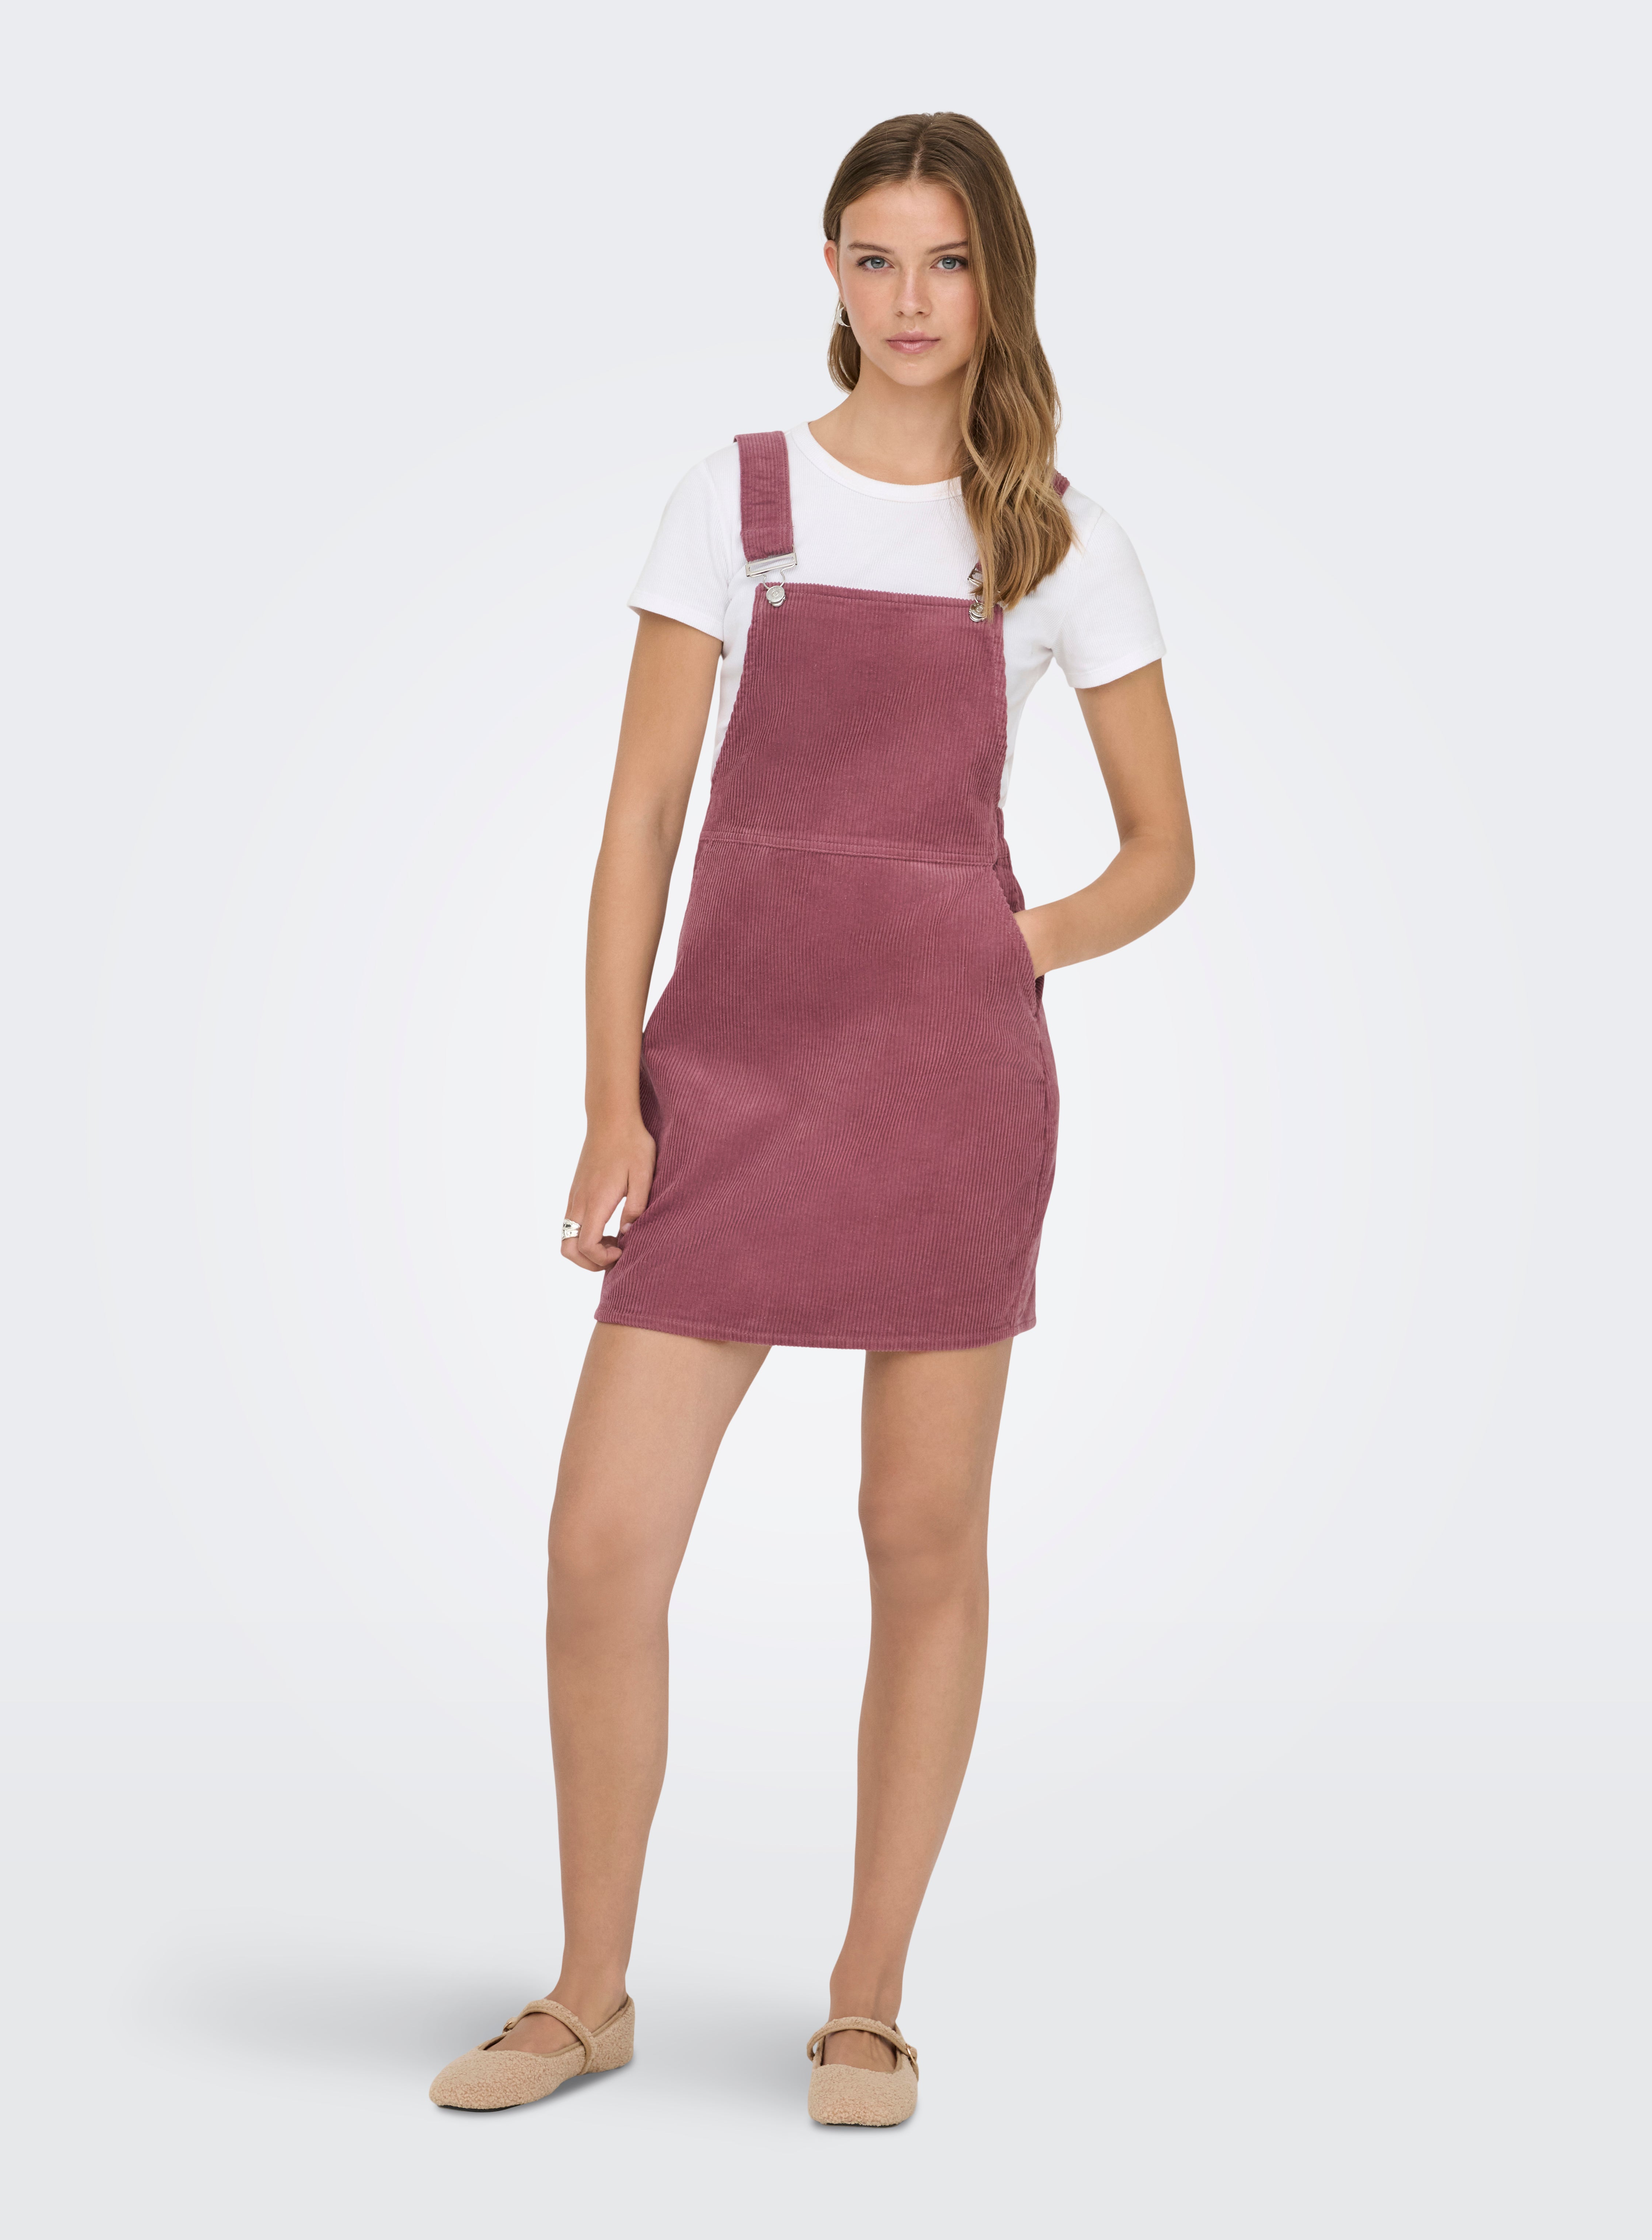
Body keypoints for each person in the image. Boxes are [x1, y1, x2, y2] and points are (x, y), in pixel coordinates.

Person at [429, 110, 1194, 2127]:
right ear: (833, 272)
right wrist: (611, 1096)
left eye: (947, 260)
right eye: (875, 257)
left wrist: (1000, 944)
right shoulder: (738, 500)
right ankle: (587, 1992)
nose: (911, 298)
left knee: (918, 1538)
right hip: (731, 1079)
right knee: (603, 1544)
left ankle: (867, 1998)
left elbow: (1162, 853)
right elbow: (639, 818)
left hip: (948, 1093)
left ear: (996, 278)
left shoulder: (1058, 540)